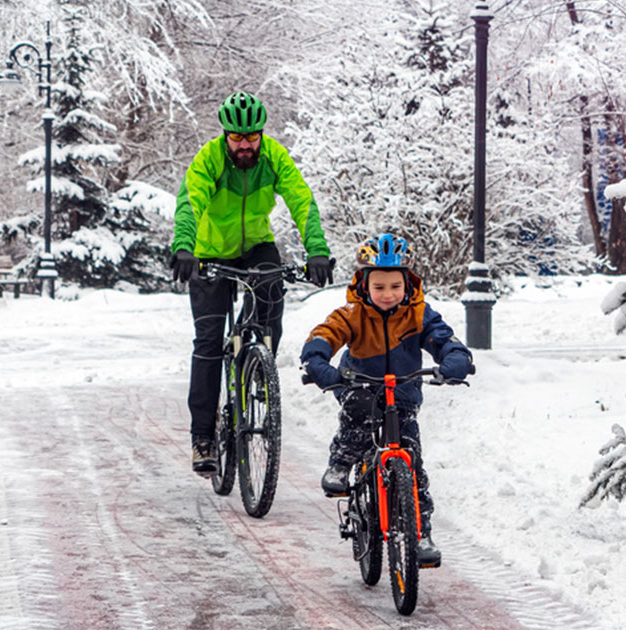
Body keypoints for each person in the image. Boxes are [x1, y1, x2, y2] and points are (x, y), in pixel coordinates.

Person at [170, 91, 332, 476]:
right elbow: (189, 204)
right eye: (237, 138)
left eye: (252, 137)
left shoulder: (274, 157)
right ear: (226, 135)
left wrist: (317, 250)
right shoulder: (208, 160)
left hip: (255, 246)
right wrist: (184, 247)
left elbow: (301, 200)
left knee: (271, 299)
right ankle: (203, 438)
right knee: (209, 342)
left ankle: (258, 370)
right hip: (209, 251)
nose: (245, 145)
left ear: (261, 134)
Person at [299, 233, 473, 567]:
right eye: (379, 287)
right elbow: (325, 335)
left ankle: (420, 532)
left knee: (412, 459)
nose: (388, 294)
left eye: (395, 286)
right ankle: (341, 462)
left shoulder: (419, 314)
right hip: (358, 383)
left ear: (408, 284)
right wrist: (318, 362)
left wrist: (455, 360)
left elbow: (444, 339)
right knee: (359, 418)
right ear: (364, 285)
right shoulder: (352, 313)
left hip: (403, 392)